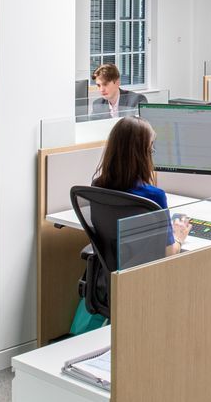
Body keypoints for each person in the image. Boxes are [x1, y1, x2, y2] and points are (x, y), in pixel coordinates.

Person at [70, 117, 192, 334]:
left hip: (111, 282)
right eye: (151, 149)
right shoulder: (154, 197)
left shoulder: (98, 187)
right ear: (143, 154)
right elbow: (168, 253)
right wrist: (180, 237)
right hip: (147, 283)